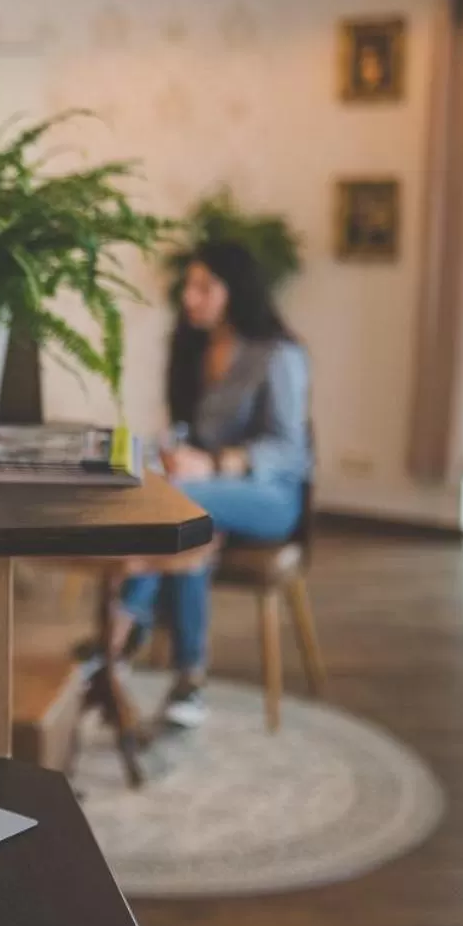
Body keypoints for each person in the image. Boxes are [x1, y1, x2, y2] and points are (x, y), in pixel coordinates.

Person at [77, 240, 311, 729]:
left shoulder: (278, 354)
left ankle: (119, 634)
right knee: (182, 520)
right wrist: (172, 450)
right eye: (189, 285)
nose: (190, 296)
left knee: (177, 507)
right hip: (206, 496)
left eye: (205, 286)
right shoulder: (196, 348)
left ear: (236, 290)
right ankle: (188, 677)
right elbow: (191, 432)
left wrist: (216, 463)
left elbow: (291, 451)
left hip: (271, 496)